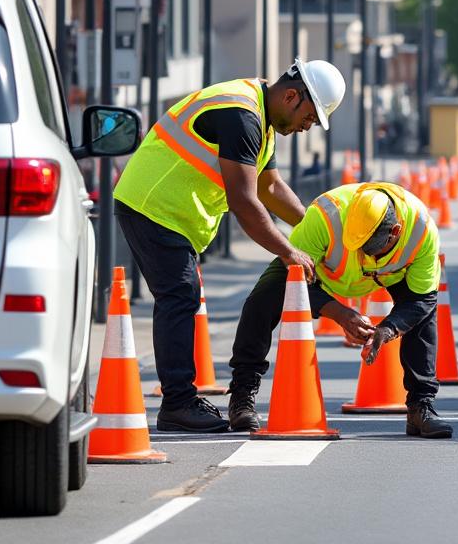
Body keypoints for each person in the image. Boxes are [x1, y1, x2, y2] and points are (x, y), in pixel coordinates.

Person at [114, 59, 346, 433]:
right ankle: (176, 404)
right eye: (310, 117)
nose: (308, 127)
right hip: (152, 207)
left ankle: (179, 400)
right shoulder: (241, 115)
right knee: (179, 296)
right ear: (291, 96)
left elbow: (269, 188)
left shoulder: (260, 119)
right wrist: (289, 253)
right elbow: (244, 201)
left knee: (180, 295)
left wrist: (315, 230)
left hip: (169, 213)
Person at [227, 181, 452, 439]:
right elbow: (295, 278)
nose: (362, 257)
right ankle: (242, 395)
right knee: (262, 300)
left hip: (392, 276)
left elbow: (422, 299)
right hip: (320, 272)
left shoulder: (421, 232)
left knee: (423, 319)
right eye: (356, 246)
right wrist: (341, 314)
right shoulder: (323, 217)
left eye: (370, 248)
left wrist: (388, 329)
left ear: (396, 231)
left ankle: (420, 406)